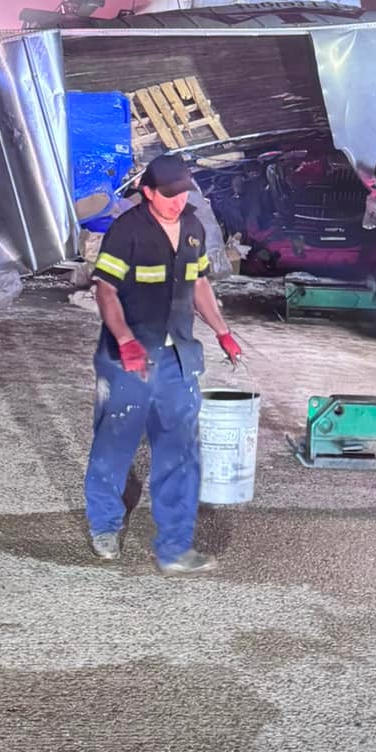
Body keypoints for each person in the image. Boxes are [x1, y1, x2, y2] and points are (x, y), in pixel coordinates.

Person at [83, 153, 242, 573]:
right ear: (148, 192)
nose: (176, 202)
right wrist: (125, 340)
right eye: (168, 195)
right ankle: (104, 525)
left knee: (179, 451)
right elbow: (105, 291)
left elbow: (200, 281)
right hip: (128, 359)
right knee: (115, 443)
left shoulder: (192, 226)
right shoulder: (127, 230)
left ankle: (174, 547)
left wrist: (222, 330)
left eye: (181, 194)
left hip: (178, 358)